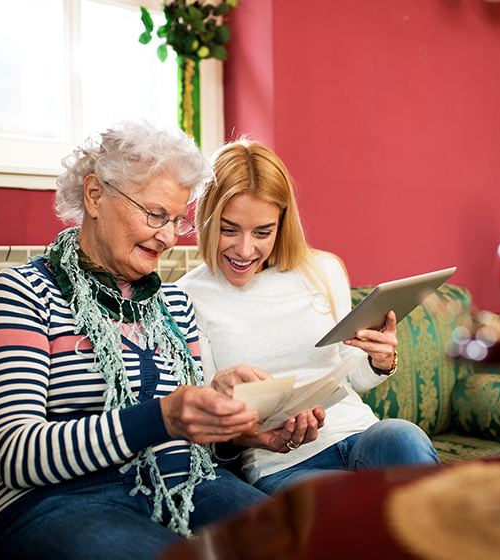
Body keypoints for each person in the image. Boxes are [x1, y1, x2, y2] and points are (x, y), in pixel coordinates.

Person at [0, 121, 317, 560]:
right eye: (155, 215)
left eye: (177, 220)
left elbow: (195, 443)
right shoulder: (22, 294)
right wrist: (163, 416)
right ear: (95, 195)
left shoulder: (175, 304)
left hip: (187, 486)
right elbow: (17, 454)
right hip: (61, 502)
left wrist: (243, 434)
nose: (170, 237)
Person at [177, 139, 440, 496]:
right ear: (206, 219)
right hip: (282, 464)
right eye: (229, 229)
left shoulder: (323, 270)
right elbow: (206, 421)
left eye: (262, 232)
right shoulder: (185, 297)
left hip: (358, 433)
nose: (244, 249)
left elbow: (349, 372)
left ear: (282, 224)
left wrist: (380, 361)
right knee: (342, 506)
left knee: (404, 436)